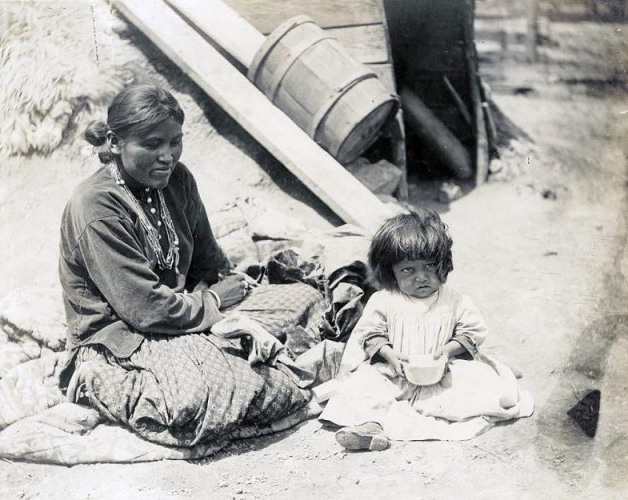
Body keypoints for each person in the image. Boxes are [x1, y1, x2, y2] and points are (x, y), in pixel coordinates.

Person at [58, 84, 311, 447]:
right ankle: (94, 380)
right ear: (114, 143)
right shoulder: (96, 206)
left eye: (175, 141)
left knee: (304, 299)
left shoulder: (179, 180)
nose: (167, 155)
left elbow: (210, 262)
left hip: (185, 313)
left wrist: (226, 294)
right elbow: (144, 309)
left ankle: (227, 357)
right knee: (199, 399)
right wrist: (216, 305)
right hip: (124, 336)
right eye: (152, 144)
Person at [319, 209, 532, 451]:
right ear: (391, 271)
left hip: (442, 372)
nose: (421, 277)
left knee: (485, 385)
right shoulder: (384, 300)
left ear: (443, 265)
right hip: (394, 374)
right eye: (407, 270)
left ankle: (482, 384)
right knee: (364, 384)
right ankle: (371, 427)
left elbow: (471, 331)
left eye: (429, 266)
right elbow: (370, 334)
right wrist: (389, 354)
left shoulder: (454, 300)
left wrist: (448, 351)